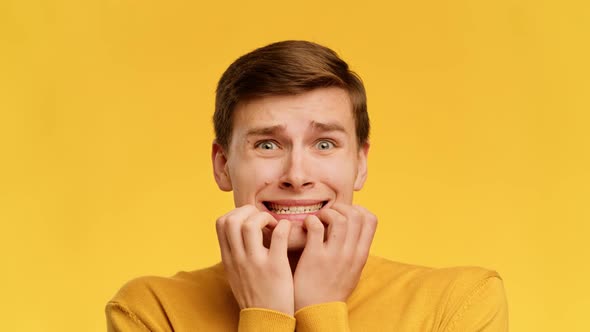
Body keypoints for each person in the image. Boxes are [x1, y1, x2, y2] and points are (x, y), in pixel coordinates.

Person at [106, 40, 509, 331]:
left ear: (360, 163)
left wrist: (321, 308)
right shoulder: (151, 312)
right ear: (223, 164)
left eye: (324, 143)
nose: (296, 175)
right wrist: (266, 316)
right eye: (267, 144)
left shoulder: (459, 303)